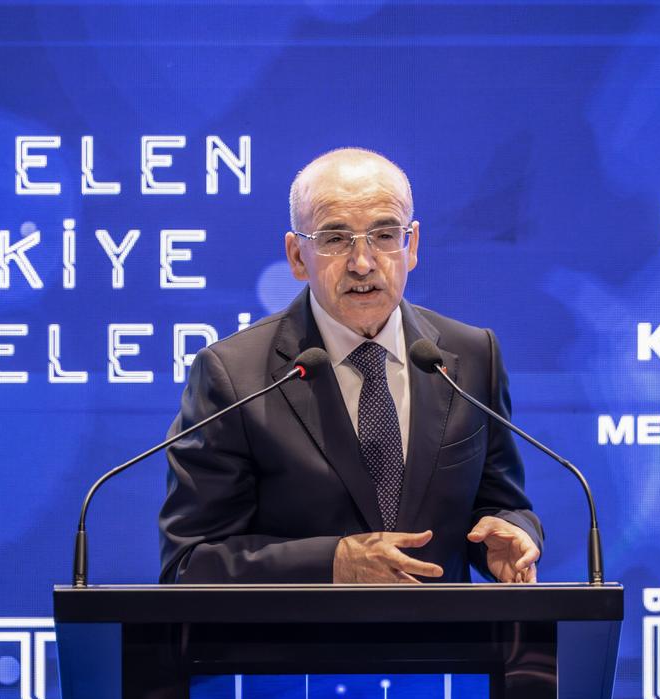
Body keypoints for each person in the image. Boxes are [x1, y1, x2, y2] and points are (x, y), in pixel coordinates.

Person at [159, 148, 542, 584]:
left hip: (444, 648)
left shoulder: (472, 355)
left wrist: (512, 531)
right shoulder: (232, 376)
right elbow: (189, 564)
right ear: (298, 256)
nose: (363, 264)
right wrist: (332, 563)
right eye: (335, 238)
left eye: (383, 235)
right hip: (302, 650)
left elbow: (497, 502)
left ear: (411, 245)